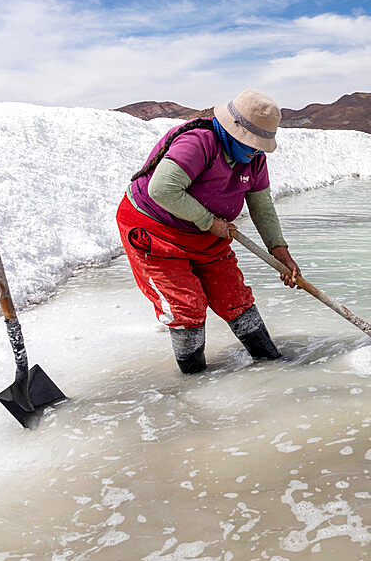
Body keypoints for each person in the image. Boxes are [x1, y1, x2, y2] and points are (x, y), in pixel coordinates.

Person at [116, 89, 302, 374]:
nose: (255, 150)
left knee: (234, 297)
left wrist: (281, 253)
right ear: (233, 129)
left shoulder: (254, 158)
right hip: (156, 231)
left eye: (259, 146)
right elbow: (161, 189)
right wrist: (210, 222)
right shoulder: (198, 142)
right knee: (186, 307)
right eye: (252, 144)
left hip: (207, 234)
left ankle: (271, 364)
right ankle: (195, 380)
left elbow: (262, 208)